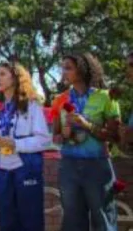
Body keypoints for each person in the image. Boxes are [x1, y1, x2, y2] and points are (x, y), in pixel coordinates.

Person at [52, 52, 121, 231]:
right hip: (69, 167)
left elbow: (115, 136)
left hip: (97, 166)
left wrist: (87, 125)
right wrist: (63, 135)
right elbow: (56, 136)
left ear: (82, 70)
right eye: (62, 68)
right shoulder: (60, 100)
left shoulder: (106, 97)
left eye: (68, 68)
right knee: (72, 221)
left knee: (103, 219)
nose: (63, 72)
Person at [0, 63, 51, 231]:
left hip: (26, 166)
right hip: (1, 167)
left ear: (16, 77)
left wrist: (16, 144)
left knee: (31, 219)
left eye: (2, 74)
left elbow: (44, 139)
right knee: (6, 220)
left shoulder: (31, 104)